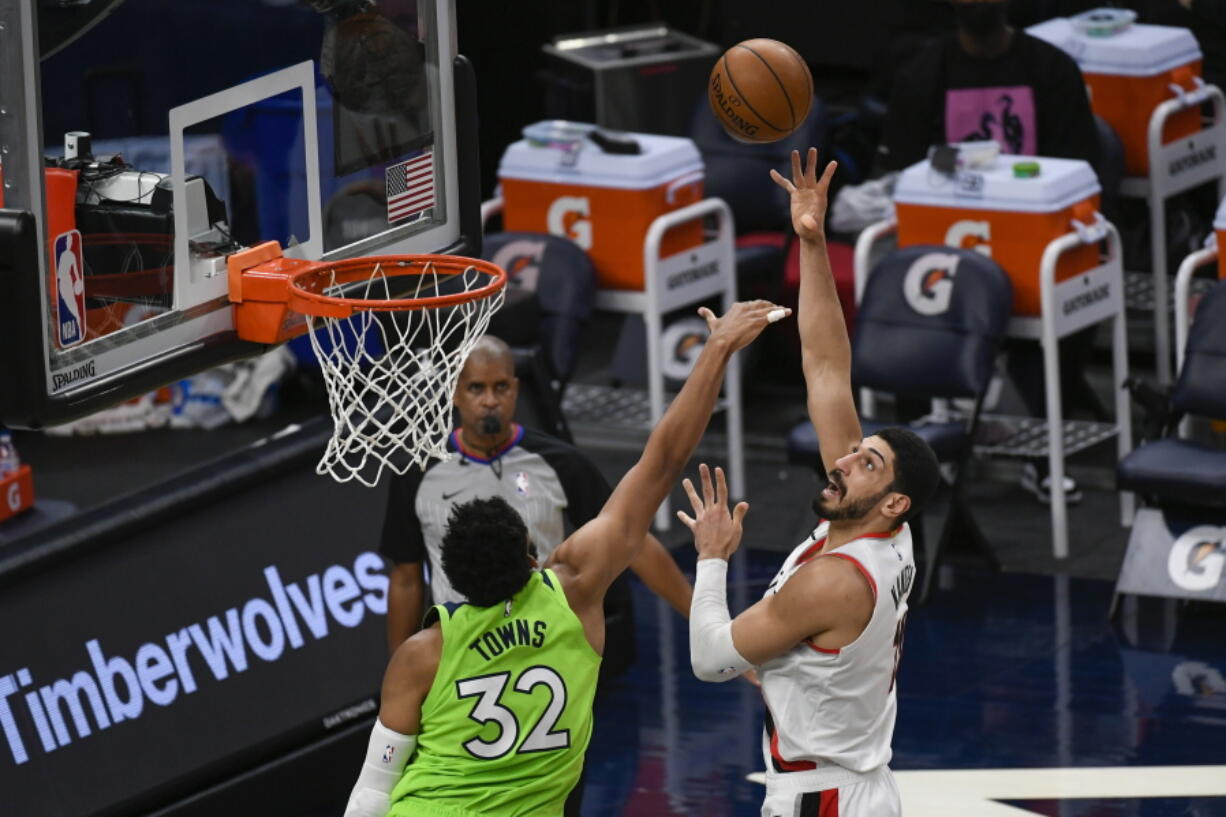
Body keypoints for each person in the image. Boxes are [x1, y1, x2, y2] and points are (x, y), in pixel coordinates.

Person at [342, 300, 789, 817]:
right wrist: (717, 348)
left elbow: (373, 789)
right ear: (534, 558)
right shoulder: (575, 595)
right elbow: (664, 460)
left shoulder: (420, 656)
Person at [681, 150, 940, 817]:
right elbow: (826, 366)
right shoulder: (881, 527)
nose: (845, 460)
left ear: (894, 501)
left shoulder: (835, 578)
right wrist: (813, 242)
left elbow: (711, 659)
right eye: (859, 452)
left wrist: (712, 558)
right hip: (852, 784)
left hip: (820, 796)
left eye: (867, 462)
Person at [882, 0, 1105, 504]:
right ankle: (926, 455)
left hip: (1036, 246)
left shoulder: (1051, 69)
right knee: (905, 292)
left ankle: (1042, 458)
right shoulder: (923, 73)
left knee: (1065, 298)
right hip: (947, 252)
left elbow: (1081, 171)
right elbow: (902, 171)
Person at [380, 335, 693, 655]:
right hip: (461, 652)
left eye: (500, 387)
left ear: (515, 390)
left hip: (547, 647)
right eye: (477, 388)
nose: (490, 400)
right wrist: (399, 671)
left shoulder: (561, 462)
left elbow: (631, 537)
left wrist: (702, 623)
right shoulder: (416, 474)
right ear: (455, 393)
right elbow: (406, 579)